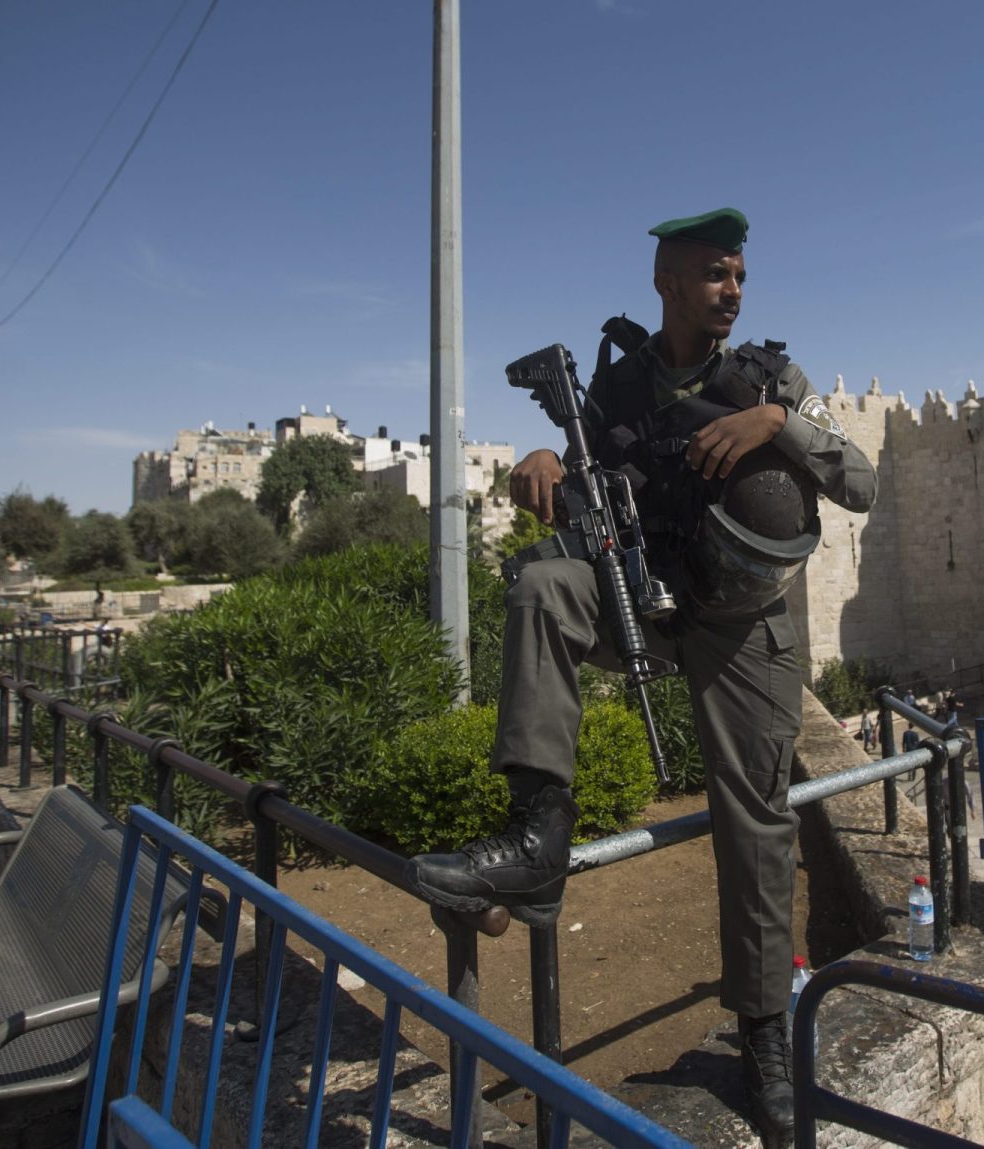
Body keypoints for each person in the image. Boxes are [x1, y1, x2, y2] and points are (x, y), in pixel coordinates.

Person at [405, 207, 875, 1145]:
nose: (732, 290)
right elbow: (589, 491)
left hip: (745, 624)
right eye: (713, 274)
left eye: (739, 274)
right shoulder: (614, 391)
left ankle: (763, 1029)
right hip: (648, 603)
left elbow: (858, 481)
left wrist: (775, 424)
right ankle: (539, 835)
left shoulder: (772, 379)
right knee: (540, 582)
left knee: (756, 818)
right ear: (667, 283)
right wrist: (537, 466)